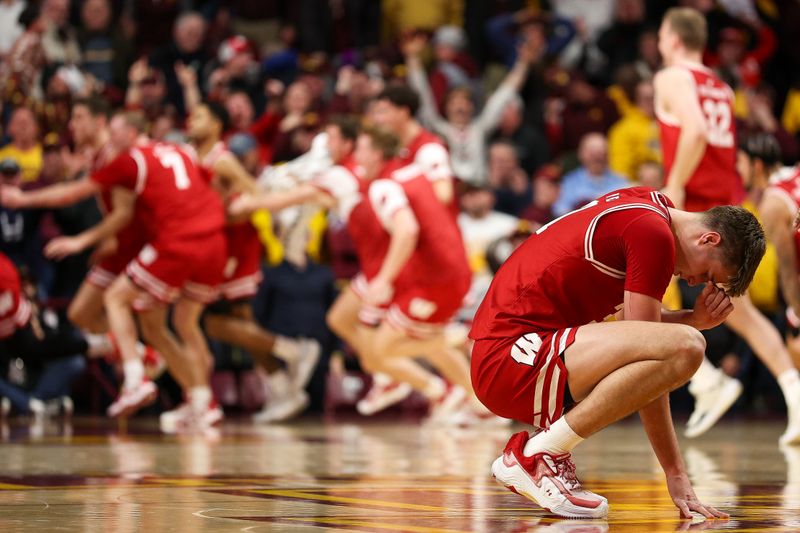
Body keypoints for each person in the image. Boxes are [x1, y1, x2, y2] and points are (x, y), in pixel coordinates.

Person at [471, 186, 765, 518]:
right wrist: (675, 471)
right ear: (709, 240)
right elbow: (649, 357)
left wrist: (691, 318)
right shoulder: (654, 235)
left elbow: (627, 325)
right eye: (708, 274)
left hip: (518, 347)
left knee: (682, 340)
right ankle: (539, 453)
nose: (696, 283)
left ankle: (543, 451)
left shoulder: (651, 204)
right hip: (510, 356)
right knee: (688, 346)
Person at [232, 122, 477, 420]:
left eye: (332, 136)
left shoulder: (354, 177)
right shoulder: (382, 174)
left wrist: (250, 203)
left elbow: (292, 197)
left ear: (358, 147)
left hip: (392, 269)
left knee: (385, 348)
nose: (327, 142)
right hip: (394, 267)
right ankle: (439, 389)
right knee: (346, 322)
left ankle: (433, 381)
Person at [1, 112, 228, 432]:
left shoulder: (126, 158)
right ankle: (182, 386)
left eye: (79, 118)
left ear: (102, 122)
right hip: (187, 241)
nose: (72, 125)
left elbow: (119, 212)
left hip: (152, 245)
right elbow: (210, 183)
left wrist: (78, 236)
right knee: (95, 315)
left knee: (124, 304)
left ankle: (138, 377)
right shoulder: (166, 152)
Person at [655, 6, 800, 443]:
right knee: (743, 313)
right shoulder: (719, 83)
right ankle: (794, 394)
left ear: (674, 38)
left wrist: (674, 184)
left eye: (661, 34)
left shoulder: (671, 77)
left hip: (694, 207)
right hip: (725, 202)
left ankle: (706, 382)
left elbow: (695, 130)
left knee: (633, 293)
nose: (659, 42)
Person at [186, 101, 319, 424]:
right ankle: (283, 387)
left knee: (218, 324)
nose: (192, 120)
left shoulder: (223, 159)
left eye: (201, 115)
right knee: (238, 323)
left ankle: (294, 350)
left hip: (235, 244)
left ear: (217, 125)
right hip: (217, 242)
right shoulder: (195, 156)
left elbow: (254, 194)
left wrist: (237, 214)